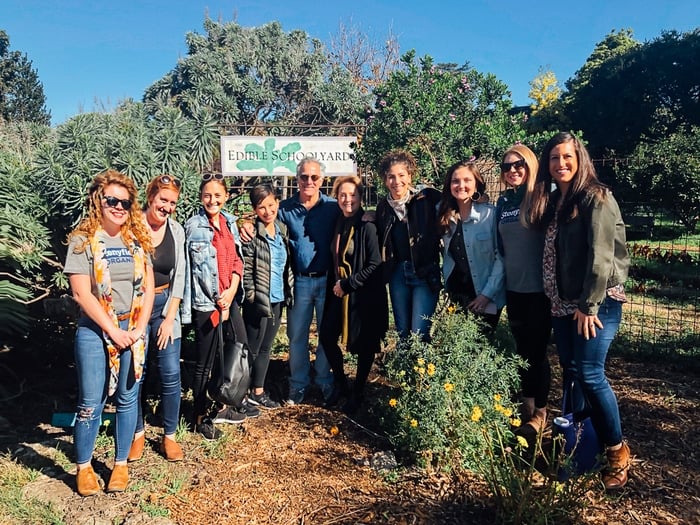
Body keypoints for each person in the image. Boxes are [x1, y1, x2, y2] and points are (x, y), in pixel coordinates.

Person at [526, 131, 631, 490]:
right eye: (554, 158)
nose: (561, 164)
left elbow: (602, 257)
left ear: (579, 157)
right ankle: (583, 450)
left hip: (596, 303)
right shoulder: (557, 200)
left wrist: (588, 306)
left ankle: (616, 450)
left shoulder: (595, 197)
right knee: (573, 373)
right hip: (563, 304)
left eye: (566, 156)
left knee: (589, 372)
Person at [64, 169, 155, 496]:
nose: (119, 207)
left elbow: (147, 288)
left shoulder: (136, 239)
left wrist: (140, 328)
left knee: (128, 398)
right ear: (97, 201)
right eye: (112, 200)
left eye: (125, 202)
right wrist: (112, 330)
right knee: (91, 401)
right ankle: (84, 466)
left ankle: (119, 464)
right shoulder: (82, 240)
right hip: (95, 330)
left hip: (131, 331)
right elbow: (81, 293)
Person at [242, 159, 338, 405]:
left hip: (327, 281)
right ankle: (299, 384)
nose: (309, 181)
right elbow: (259, 217)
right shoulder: (284, 208)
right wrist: (241, 222)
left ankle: (325, 382)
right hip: (299, 283)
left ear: (322, 180)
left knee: (326, 336)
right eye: (304, 177)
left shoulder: (333, 208)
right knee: (297, 336)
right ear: (297, 179)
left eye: (314, 177)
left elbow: (353, 217)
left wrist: (368, 214)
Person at [182, 173, 257, 441]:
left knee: (239, 348)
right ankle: (200, 416)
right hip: (207, 304)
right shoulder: (193, 227)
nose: (212, 200)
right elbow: (191, 271)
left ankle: (227, 401)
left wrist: (231, 291)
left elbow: (237, 261)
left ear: (226, 197)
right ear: (201, 198)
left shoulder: (230, 223)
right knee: (205, 362)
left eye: (217, 195)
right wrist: (216, 300)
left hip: (230, 298)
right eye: (207, 195)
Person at [127, 175, 185, 463]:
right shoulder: (130, 226)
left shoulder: (176, 231)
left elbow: (181, 275)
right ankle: (136, 433)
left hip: (164, 306)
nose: (168, 207)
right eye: (163, 200)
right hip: (136, 307)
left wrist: (169, 317)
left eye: (173, 202)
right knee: (136, 372)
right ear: (151, 198)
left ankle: (169, 435)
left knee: (171, 372)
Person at [319, 176, 388, 414]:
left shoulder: (367, 225)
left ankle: (358, 392)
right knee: (327, 336)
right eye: (343, 195)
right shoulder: (338, 222)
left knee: (364, 345)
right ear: (337, 197)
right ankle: (341, 384)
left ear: (360, 197)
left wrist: (348, 284)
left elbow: (375, 263)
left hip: (362, 295)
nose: (348, 200)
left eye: (353, 195)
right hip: (340, 292)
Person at [496, 145, 552, 432]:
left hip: (540, 291)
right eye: (506, 167)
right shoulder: (503, 203)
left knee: (538, 351)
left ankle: (541, 412)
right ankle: (527, 405)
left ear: (530, 165)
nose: (513, 170)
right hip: (514, 290)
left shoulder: (543, 199)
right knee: (522, 351)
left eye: (518, 164)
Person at [375, 150, 442, 341]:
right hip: (397, 274)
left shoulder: (426, 198)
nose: (397, 181)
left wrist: (480, 198)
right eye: (391, 177)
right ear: (385, 179)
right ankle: (403, 370)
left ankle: (421, 370)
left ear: (410, 176)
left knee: (419, 333)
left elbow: (455, 201)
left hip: (424, 272)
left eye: (401, 175)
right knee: (403, 333)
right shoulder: (383, 208)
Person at [241, 184, 294, 409]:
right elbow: (246, 270)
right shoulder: (252, 233)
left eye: (271, 205)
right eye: (261, 207)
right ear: (254, 210)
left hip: (277, 297)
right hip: (259, 299)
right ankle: (240, 392)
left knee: (266, 347)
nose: (267, 211)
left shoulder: (282, 230)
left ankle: (258, 391)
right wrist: (252, 297)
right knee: (251, 347)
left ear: (277, 203)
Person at [437, 160, 505, 332]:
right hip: (456, 294)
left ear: (476, 184)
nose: (461, 185)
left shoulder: (490, 214)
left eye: (467, 180)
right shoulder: (443, 213)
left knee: (481, 347)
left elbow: (501, 257)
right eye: (455, 181)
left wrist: (486, 295)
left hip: (486, 294)